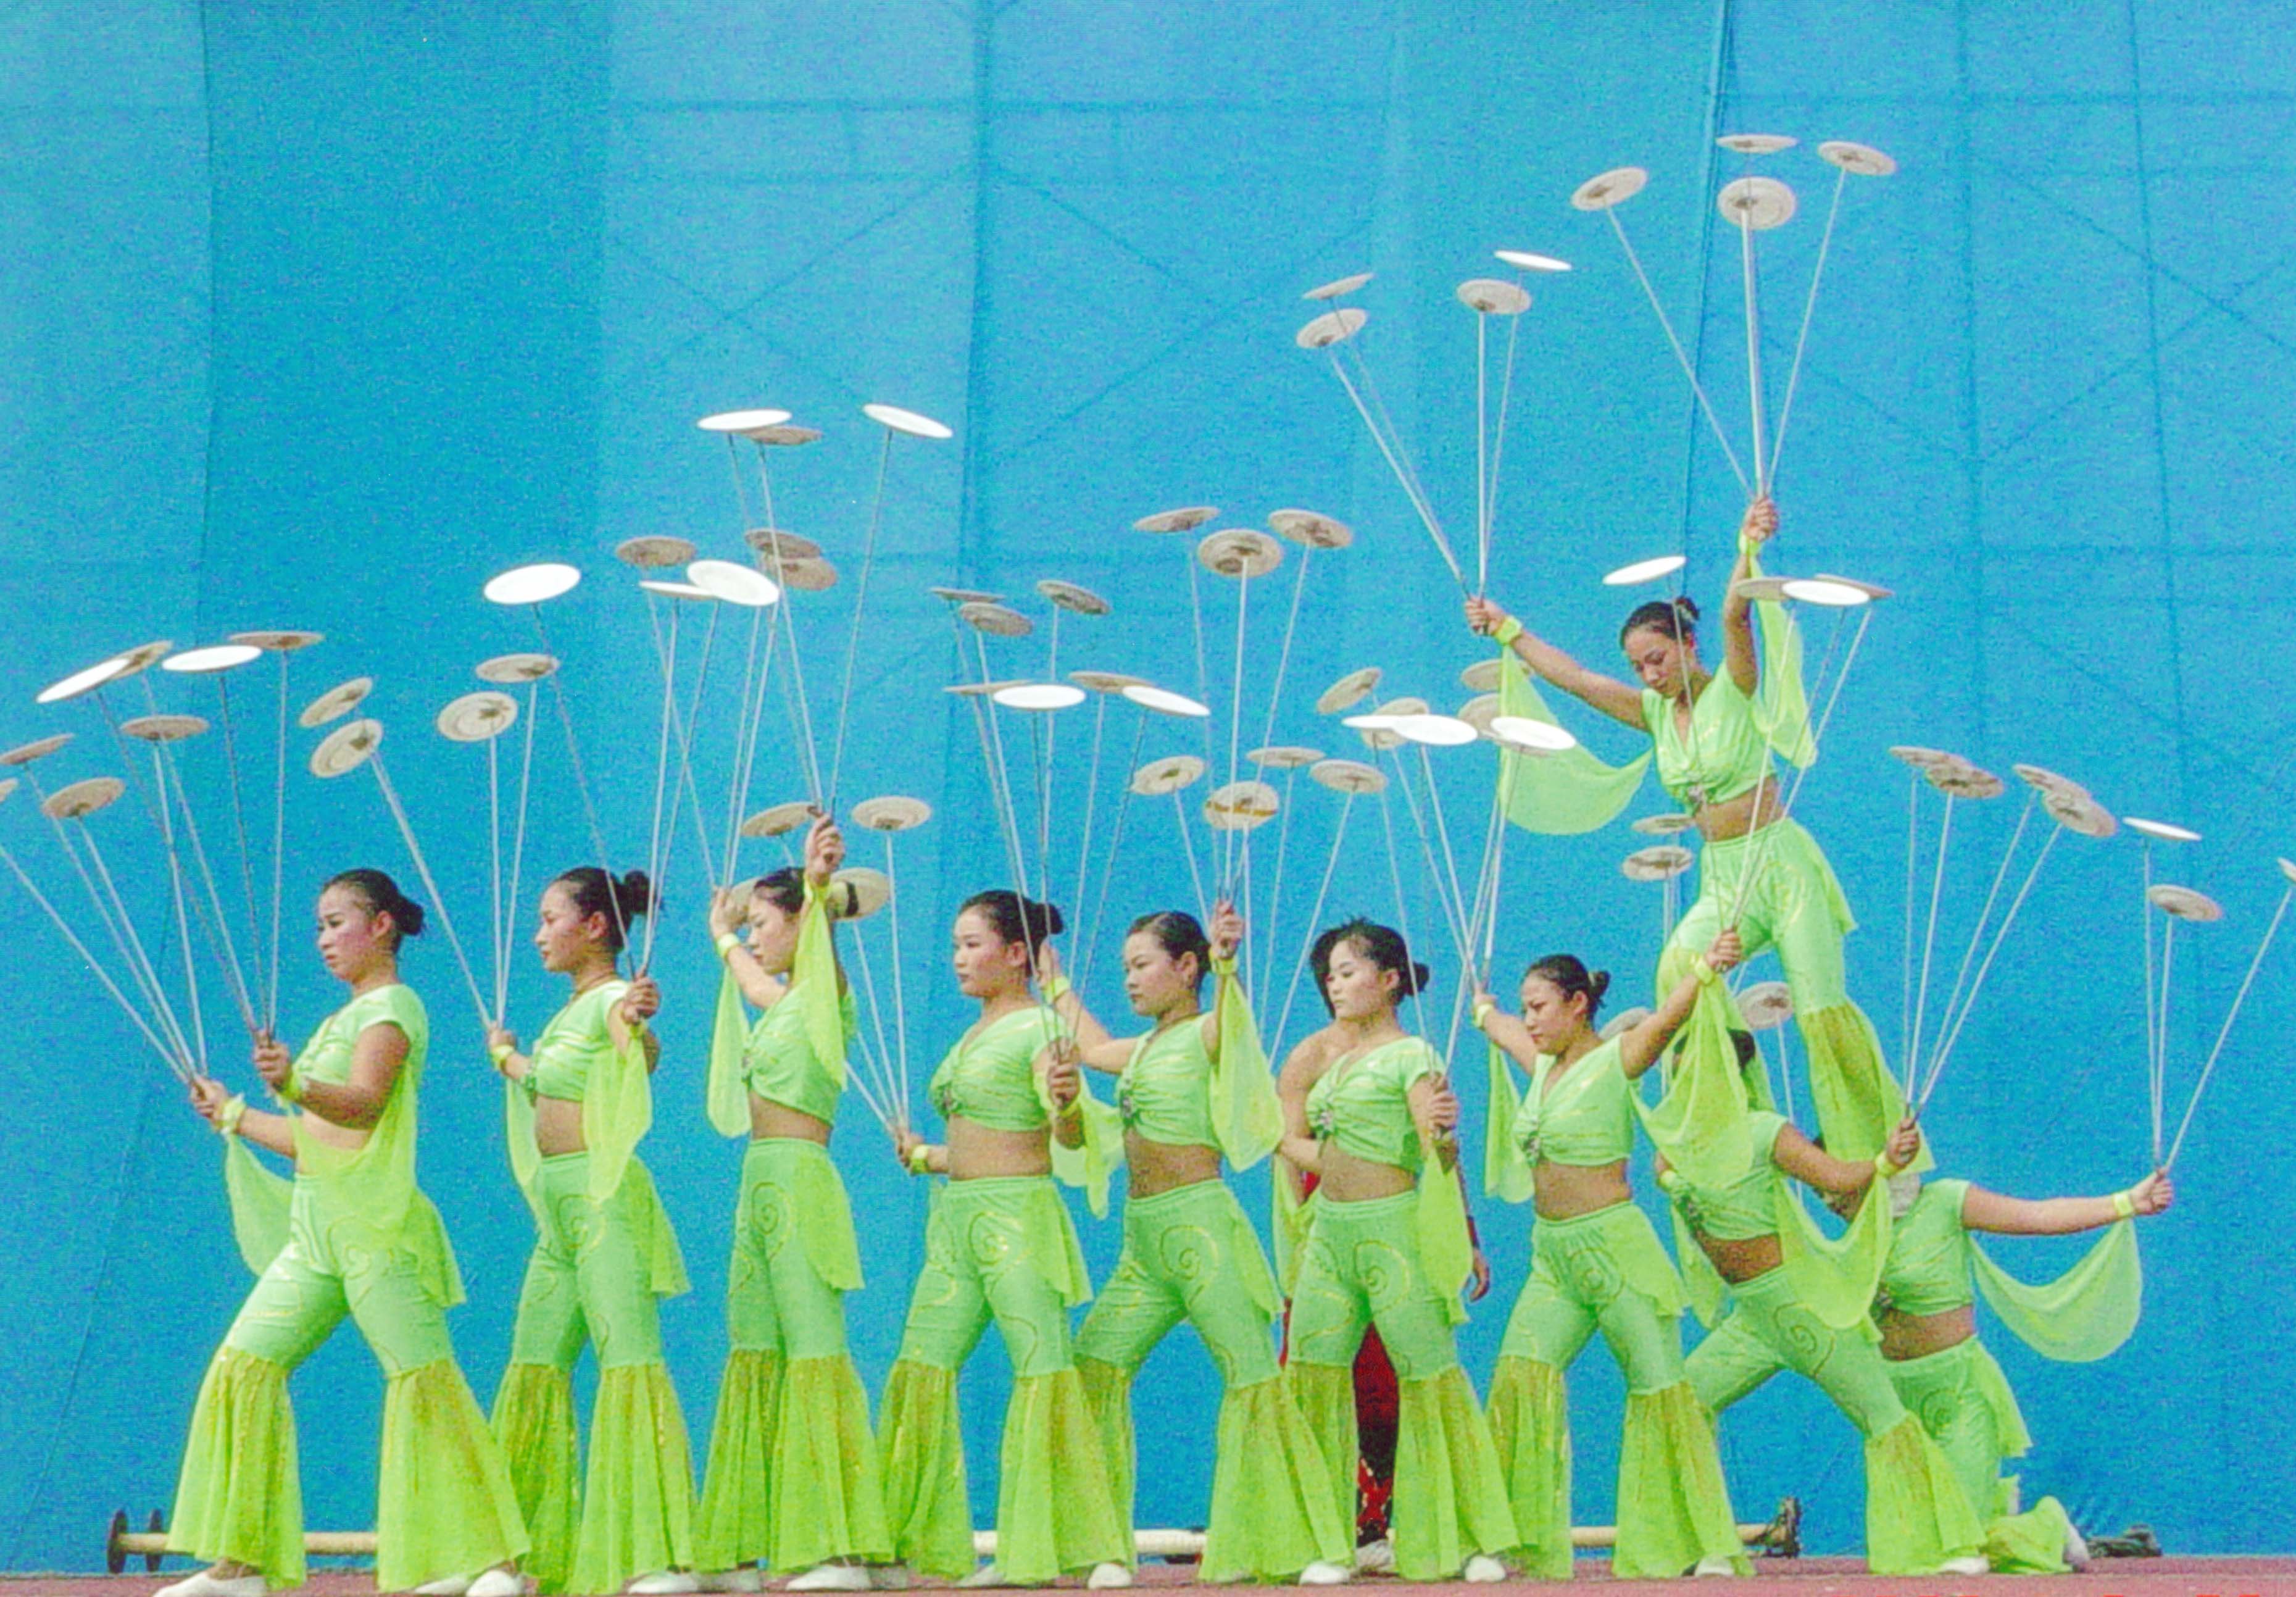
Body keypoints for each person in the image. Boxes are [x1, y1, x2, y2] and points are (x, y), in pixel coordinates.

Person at [1465, 498, 1908, 1166]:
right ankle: (1733, 1105)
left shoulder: (1736, 685)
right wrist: (1508, 629)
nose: (1650, 675)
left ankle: (1868, 1149)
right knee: (1680, 967)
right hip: (1723, 872)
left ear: (1687, 645)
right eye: (1640, 667)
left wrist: (1747, 547)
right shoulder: (1652, 711)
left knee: (1821, 1010)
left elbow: (1736, 613)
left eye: (1658, 659)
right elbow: (1577, 680)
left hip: (1781, 865)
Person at [165, 870, 525, 1597]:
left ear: (382, 925)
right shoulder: (340, 1019)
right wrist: (234, 1113)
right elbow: (317, 1141)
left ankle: (495, 1563)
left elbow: (363, 1105)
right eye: (319, 927)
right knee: (244, 1365)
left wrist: (295, 1084)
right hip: (316, 1234)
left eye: (336, 923)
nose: (324, 939)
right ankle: (242, 1566)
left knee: (424, 1381)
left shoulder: (394, 1007)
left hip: (375, 1231)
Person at [1065, 902, 1352, 1585]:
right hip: (1144, 1246)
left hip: (1203, 1232)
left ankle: (1306, 1545)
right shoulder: (1143, 1049)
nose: (1129, 978)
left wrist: (1228, 963)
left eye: (1142, 965)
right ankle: (1100, 1543)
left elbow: (1233, 1023)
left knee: (1252, 1377)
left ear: (1186, 967)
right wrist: (1051, 980)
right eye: (1125, 967)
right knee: (1094, 1365)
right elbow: (1089, 1047)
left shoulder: (1205, 1032)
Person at [1471, 935, 1749, 1579]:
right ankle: (1513, 1541)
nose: (1530, 1019)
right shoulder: (1540, 1064)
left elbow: (1667, 1018)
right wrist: (1485, 1010)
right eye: (1526, 1007)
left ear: (1578, 1004)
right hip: (1554, 1259)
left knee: (1661, 1390)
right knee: (1520, 1374)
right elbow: (1502, 1029)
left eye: (1540, 1006)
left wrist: (1706, 967)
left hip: (1617, 1252)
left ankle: (1701, 1543)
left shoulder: (1617, 1059)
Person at [876, 890, 1130, 1590]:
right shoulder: (972, 1035)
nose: (959, 958)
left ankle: (1090, 1548)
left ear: (1017, 953)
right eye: (955, 946)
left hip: (1019, 1219)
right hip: (957, 1224)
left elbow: (1064, 1136)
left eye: (972, 944)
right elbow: (978, 1142)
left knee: (1043, 1370)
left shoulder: (1041, 1027)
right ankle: (899, 1545)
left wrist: (1068, 1102)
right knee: (922, 1364)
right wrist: (925, 1155)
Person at [1662, 1056, 1986, 1578]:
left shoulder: (1764, 1130)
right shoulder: (1681, 1141)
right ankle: (1712, 1546)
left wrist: (1884, 1161)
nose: (1680, 1082)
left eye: (1690, 1069)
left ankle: (1954, 1539)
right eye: (1675, 1072)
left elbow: (1835, 1175)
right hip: (1752, 1319)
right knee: (1685, 1402)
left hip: (1802, 1306)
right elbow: (1663, 1165)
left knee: (1884, 1416)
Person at [1275, 919, 1515, 1583]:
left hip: (1394, 1235)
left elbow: (1435, 1151)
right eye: (1330, 975)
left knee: (1429, 1375)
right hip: (1330, 1239)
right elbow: (1320, 1152)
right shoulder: (1330, 1064)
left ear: (1388, 981)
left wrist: (1455, 1190)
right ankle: (1326, 1539)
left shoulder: (1415, 1056)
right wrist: (1269, 1136)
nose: (1335, 984)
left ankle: (1473, 1538)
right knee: (1312, 1374)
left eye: (1348, 972)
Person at [693, 814, 889, 1592]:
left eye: (763, 923)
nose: (757, 936)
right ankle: (744, 1549)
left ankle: (838, 1549)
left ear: (802, 924)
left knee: (813, 1351)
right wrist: (722, 935)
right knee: (754, 1350)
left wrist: (815, 884)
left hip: (802, 1183)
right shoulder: (779, 1005)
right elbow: (752, 982)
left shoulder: (826, 999)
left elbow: (817, 961)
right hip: (758, 1187)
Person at [488, 868, 695, 1596]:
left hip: (604, 1201)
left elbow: (638, 1051)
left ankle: (655, 1556)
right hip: (560, 1216)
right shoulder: (569, 1011)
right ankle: (519, 1556)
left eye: (550, 919)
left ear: (596, 926)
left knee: (628, 1362)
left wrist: (638, 1023)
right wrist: (507, 1056)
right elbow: (548, 1079)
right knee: (535, 1365)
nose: (538, 934)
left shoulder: (610, 999)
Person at [1861, 1162, 2174, 1572]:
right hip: (1899, 1403)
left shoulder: (1946, 1201)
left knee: (1961, 1552)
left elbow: (2037, 1216)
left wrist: (2126, 1202)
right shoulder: (1858, 1233)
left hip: (1959, 1392)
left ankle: (2038, 1524)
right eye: (1822, 1192)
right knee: (1911, 1554)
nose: (1831, 1201)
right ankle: (2030, 1524)